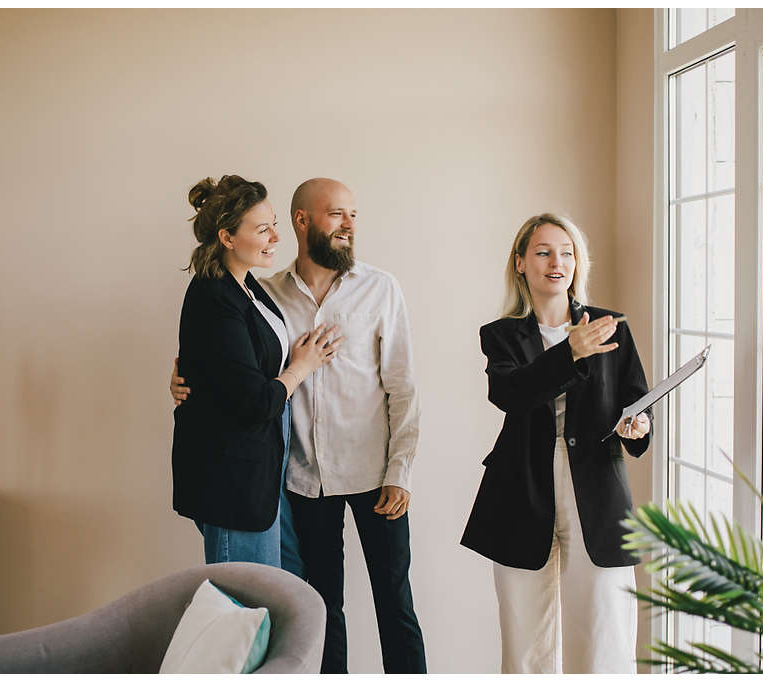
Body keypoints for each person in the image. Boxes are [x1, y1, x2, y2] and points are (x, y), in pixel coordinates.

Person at [171, 178, 426, 673]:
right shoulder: (265, 294)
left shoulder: (381, 288)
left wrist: (402, 470)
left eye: (353, 214)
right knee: (320, 608)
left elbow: (404, 386)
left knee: (395, 604)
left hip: (376, 476)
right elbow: (229, 363)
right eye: (337, 214)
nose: (350, 224)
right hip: (302, 482)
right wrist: (184, 378)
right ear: (302, 220)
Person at [460, 213, 652, 674]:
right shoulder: (501, 334)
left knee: (605, 630)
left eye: (567, 253)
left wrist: (640, 424)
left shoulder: (611, 327)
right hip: (522, 488)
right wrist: (570, 350)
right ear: (521, 263)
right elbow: (509, 393)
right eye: (544, 252)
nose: (556, 262)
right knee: (526, 643)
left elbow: (637, 399)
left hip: (598, 489)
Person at [171, 174, 341, 569]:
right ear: (227, 237)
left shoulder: (248, 285)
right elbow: (255, 400)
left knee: (285, 584)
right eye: (263, 230)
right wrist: (302, 367)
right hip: (233, 478)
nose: (276, 239)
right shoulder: (212, 296)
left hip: (263, 469)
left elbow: (231, 368)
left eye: (274, 226)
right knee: (243, 608)